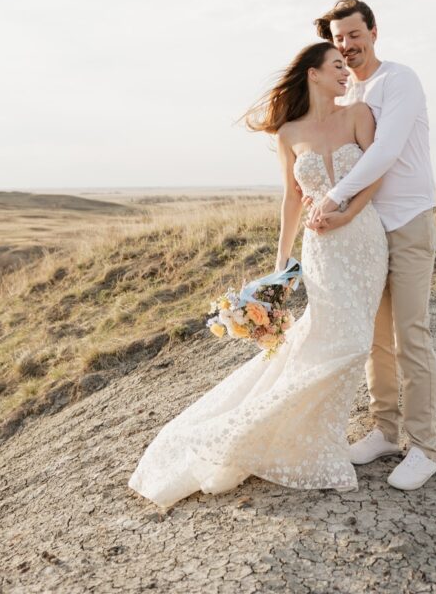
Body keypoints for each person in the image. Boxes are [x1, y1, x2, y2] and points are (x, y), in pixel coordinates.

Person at [127, 42, 389, 509]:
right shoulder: (289, 133)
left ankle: (302, 431)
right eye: (336, 66)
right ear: (312, 73)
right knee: (330, 339)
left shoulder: (359, 114)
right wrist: (280, 264)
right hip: (322, 249)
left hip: (364, 240)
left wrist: (349, 216)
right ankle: (289, 436)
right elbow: (291, 198)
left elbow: (376, 174)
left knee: (352, 342)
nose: (345, 72)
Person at [306, 0, 436, 491]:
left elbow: (386, 150)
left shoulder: (399, 80)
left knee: (411, 333)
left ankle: (424, 445)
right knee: (375, 338)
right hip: (365, 230)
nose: (347, 45)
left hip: (407, 220)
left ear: (374, 32)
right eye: (339, 39)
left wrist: (335, 198)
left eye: (354, 35)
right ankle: (384, 430)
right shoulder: (344, 96)